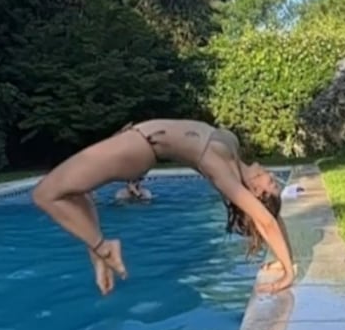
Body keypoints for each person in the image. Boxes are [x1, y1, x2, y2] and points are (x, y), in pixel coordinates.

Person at [33, 119, 295, 296]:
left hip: (139, 146)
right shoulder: (233, 153)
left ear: (256, 192)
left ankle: (104, 247)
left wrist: (287, 276)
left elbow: (266, 220)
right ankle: (98, 251)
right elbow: (273, 217)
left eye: (271, 184)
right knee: (75, 191)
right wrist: (287, 262)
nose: (272, 177)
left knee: (45, 194)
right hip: (136, 138)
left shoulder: (223, 171)